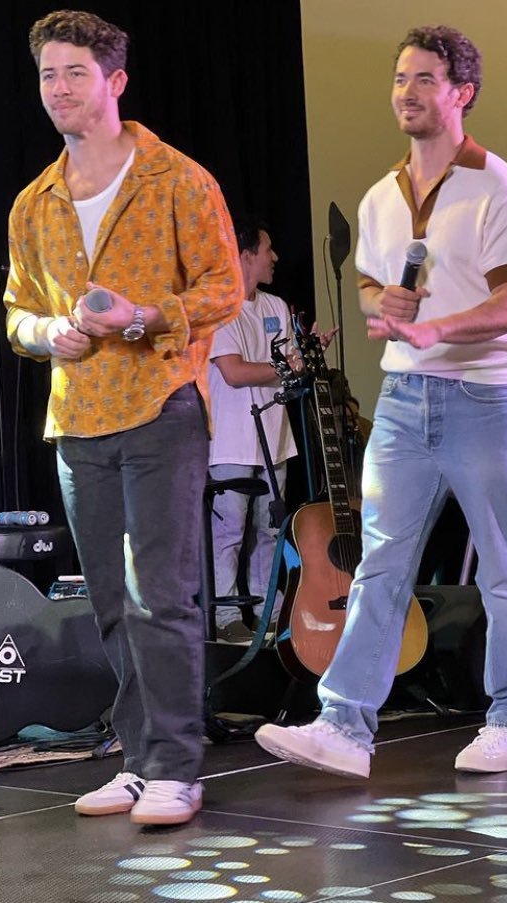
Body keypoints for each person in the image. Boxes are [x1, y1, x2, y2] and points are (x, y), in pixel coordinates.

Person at [255, 24, 507, 777]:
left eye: (424, 79)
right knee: (378, 561)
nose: (406, 93)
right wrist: (381, 306)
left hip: (484, 396)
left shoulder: (499, 186)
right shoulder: (381, 195)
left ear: (461, 93)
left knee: (504, 569)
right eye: (399, 79)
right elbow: (368, 285)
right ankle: (344, 727)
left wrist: (436, 327)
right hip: (404, 400)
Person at [4, 10, 243, 825]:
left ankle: (177, 765)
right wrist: (49, 333)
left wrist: (144, 315)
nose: (59, 89)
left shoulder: (176, 177)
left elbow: (222, 286)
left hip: (159, 405)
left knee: (161, 595)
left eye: (75, 72)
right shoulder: (34, 201)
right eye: (47, 75)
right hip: (77, 418)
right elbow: (18, 313)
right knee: (109, 597)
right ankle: (138, 760)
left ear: (115, 81)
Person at [207, 218, 299, 644]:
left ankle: (268, 608)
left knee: (270, 530)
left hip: (275, 439)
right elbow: (234, 373)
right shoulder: (218, 309)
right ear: (245, 255)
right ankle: (227, 615)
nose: (274, 257)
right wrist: (285, 368)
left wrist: (300, 359)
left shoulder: (275, 306)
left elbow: (295, 360)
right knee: (228, 532)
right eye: (267, 249)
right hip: (230, 441)